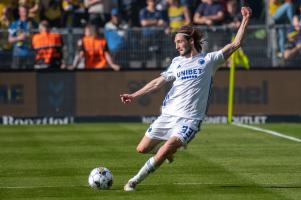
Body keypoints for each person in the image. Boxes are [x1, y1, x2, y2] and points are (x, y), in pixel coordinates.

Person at [120, 6, 252, 191]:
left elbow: (235, 44)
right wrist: (134, 95)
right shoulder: (177, 62)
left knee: (166, 148)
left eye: (180, 42)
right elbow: (158, 82)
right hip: (168, 115)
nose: (177, 46)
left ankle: (134, 181)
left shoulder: (209, 60)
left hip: (190, 120)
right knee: (141, 149)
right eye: (175, 42)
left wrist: (245, 19)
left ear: (191, 41)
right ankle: (168, 153)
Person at [8, 5, 37, 69]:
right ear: (19, 12)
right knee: (15, 75)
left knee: (30, 76)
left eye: (26, 11)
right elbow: (10, 39)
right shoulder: (14, 24)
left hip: (30, 54)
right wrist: (19, 38)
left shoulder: (34, 23)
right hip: (17, 54)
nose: (25, 13)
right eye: (23, 12)